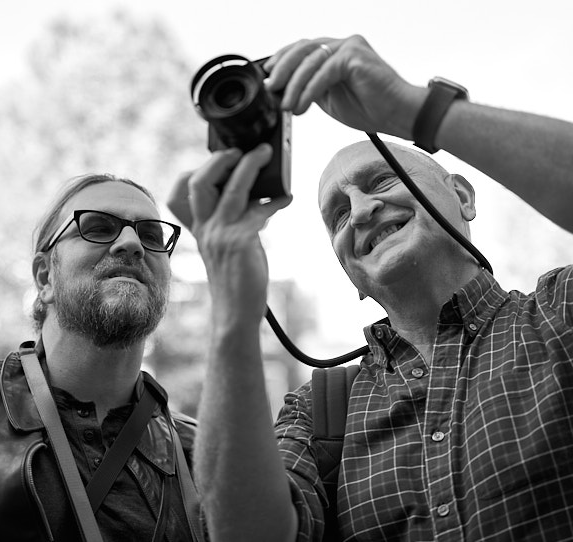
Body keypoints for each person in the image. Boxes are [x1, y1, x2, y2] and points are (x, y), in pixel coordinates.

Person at [167, 35, 573, 541]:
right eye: (338, 214)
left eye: (380, 181)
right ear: (349, 273)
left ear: (463, 197)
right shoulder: (317, 413)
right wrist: (232, 305)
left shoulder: (559, 316)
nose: (360, 211)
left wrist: (415, 110)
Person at [0, 174, 202, 541]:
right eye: (98, 227)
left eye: (152, 235)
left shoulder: (203, 454)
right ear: (45, 278)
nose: (131, 243)